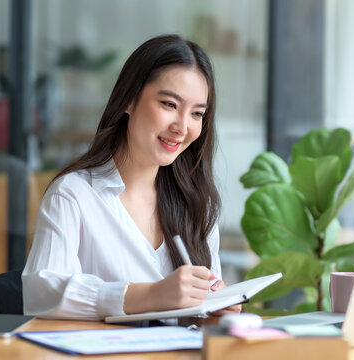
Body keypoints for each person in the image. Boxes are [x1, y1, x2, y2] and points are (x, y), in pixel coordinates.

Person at [22, 34, 241, 320]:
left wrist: (215, 313)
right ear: (129, 99)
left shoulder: (198, 204)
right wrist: (151, 295)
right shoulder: (73, 195)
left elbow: (196, 321)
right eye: (169, 105)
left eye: (197, 114)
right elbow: (42, 293)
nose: (182, 127)